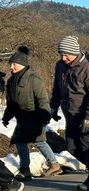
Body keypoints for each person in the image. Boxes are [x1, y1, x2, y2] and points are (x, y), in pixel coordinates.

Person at [2, 46, 62, 181]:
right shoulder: (11, 81)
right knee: (20, 141)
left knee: (39, 141)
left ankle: (54, 165)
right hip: (21, 118)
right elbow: (11, 103)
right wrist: (6, 117)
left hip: (35, 116)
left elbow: (42, 99)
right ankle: (25, 169)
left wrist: (45, 116)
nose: (11, 67)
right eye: (11, 64)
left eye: (13, 64)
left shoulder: (34, 79)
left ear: (21, 65)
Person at [50, 36, 89, 191]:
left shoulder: (87, 68)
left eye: (66, 55)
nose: (63, 58)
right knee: (71, 147)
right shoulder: (60, 66)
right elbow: (57, 89)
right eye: (61, 54)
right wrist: (53, 107)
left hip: (86, 115)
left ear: (74, 52)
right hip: (70, 114)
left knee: (87, 146)